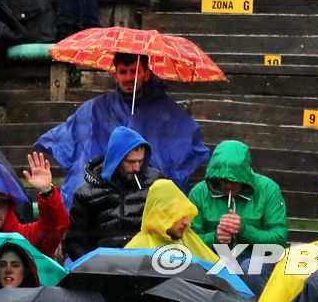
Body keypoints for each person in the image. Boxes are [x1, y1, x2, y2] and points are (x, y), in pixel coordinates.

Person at [38, 53, 209, 198]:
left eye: (134, 71)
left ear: (146, 74)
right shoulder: (96, 108)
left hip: (147, 193)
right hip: (103, 195)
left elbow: (185, 144)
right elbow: (70, 139)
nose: (128, 78)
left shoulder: (168, 111)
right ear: (116, 75)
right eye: (123, 72)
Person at [64, 125, 162, 257]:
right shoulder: (86, 195)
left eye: (140, 161)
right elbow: (75, 242)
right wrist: (93, 266)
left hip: (148, 261)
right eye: (131, 162)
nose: (137, 168)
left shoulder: (156, 183)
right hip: (104, 264)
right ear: (116, 160)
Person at [185, 139, 289, 258]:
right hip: (212, 259)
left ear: (244, 176)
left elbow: (279, 239)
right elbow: (189, 240)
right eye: (223, 179)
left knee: (249, 267)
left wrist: (244, 230)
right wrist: (214, 238)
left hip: (255, 258)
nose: (228, 185)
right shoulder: (199, 193)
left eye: (234, 180)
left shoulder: (267, 189)